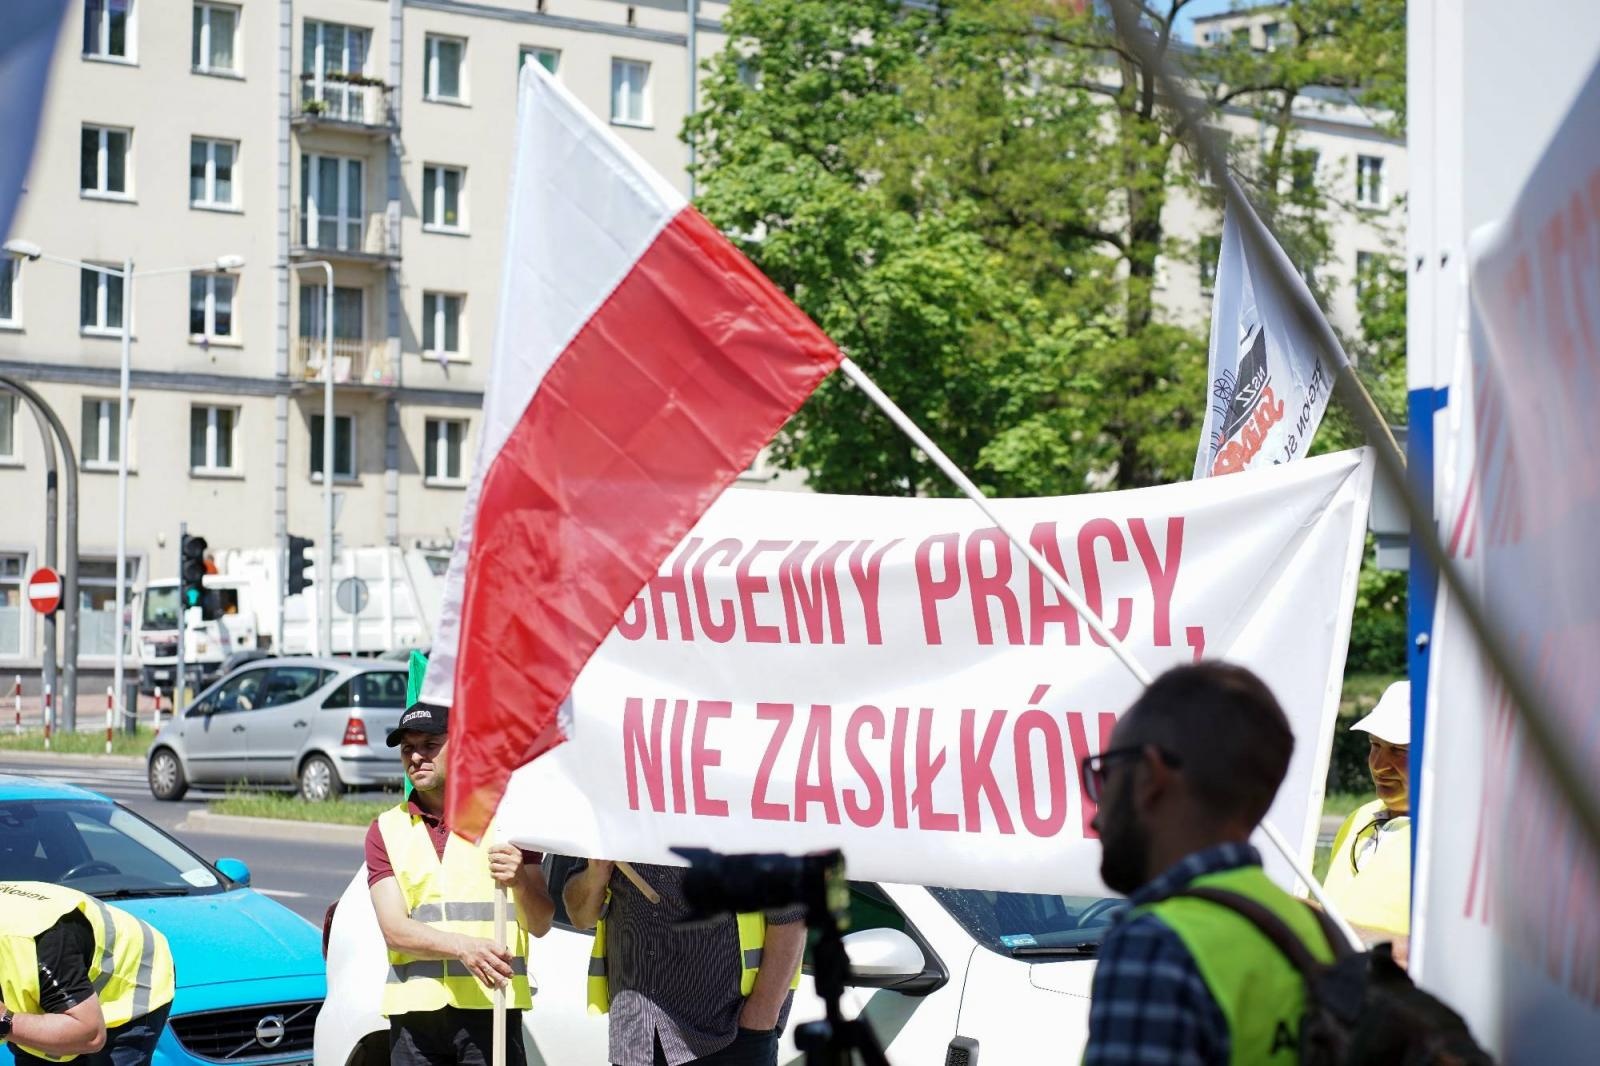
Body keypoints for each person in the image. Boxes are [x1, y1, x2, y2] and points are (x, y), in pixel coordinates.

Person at [1081, 662, 1340, 1066]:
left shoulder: (1154, 946)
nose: (1096, 816)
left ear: (1150, 777)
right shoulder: (1315, 931)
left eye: (1107, 775)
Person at [366, 684, 556, 1066]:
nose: (416, 757)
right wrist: (464, 947)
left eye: (430, 744)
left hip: (492, 1010)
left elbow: (540, 923)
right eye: (407, 749)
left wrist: (519, 880)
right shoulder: (386, 829)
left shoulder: (508, 820)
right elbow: (394, 929)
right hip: (414, 1019)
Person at [562, 859, 807, 1066]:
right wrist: (595, 874)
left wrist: (760, 1017)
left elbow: (792, 915)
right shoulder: (620, 815)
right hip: (636, 1033)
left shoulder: (742, 815)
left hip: (727, 1037)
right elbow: (579, 916)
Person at [0, 880, 175, 1066]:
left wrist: (4, 1021)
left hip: (130, 977)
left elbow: (89, 1035)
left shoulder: (30, 942)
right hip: (60, 972)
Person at [1321, 680, 1411, 955]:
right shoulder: (1359, 817)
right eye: (1375, 745)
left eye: (1399, 750)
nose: (1379, 764)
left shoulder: (1451, 838)